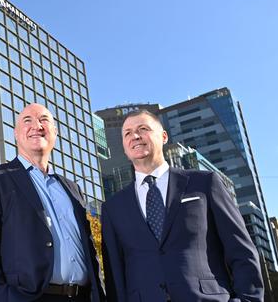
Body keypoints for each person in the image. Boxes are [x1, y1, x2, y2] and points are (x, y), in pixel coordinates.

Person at [101, 110, 263, 302]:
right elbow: (115, 276)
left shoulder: (204, 183)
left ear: (163, 136)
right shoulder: (113, 207)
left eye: (142, 129)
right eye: (127, 133)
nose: (135, 136)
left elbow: (241, 250)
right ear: (124, 147)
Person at [0, 103, 105, 302]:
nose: (36, 125)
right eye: (27, 121)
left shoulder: (72, 188)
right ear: (15, 134)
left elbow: (90, 250)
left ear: (55, 133)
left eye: (43, 120)